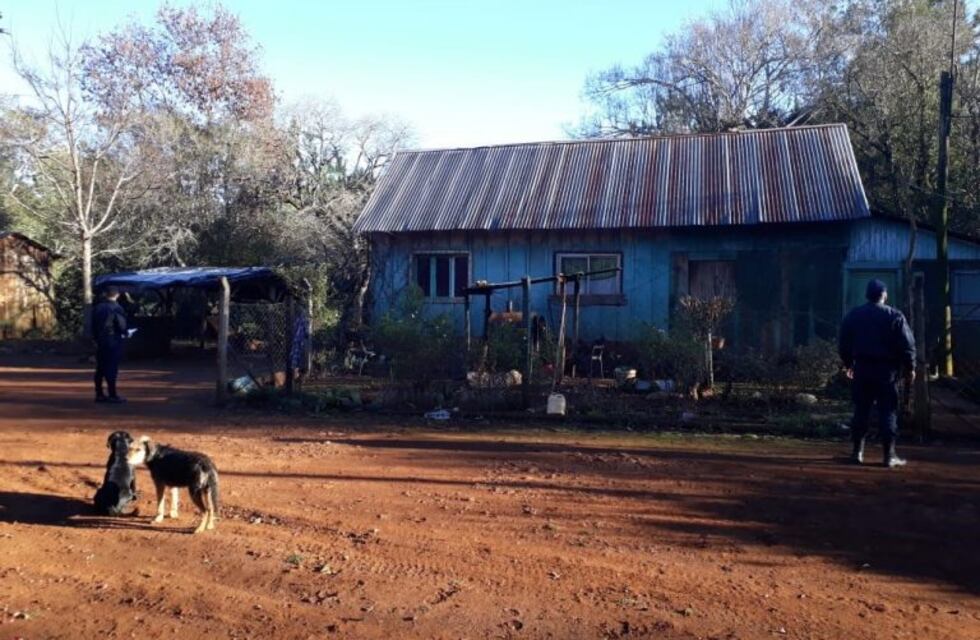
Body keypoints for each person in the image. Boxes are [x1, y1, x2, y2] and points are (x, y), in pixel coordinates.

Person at [838, 279, 916, 468]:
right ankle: (888, 456)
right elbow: (907, 345)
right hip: (887, 371)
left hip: (862, 368)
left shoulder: (854, 315)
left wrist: (849, 364)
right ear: (884, 295)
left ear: (867, 295)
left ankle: (857, 453)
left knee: (861, 410)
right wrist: (910, 368)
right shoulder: (895, 316)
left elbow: (843, 343)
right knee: (887, 411)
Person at [93, 286, 129, 404]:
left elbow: (92, 325)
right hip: (112, 340)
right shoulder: (117, 308)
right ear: (117, 295)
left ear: (105, 294)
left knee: (100, 367)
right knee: (111, 367)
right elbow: (121, 325)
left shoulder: (98, 307)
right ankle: (112, 394)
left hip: (100, 340)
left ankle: (99, 394)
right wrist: (125, 333)